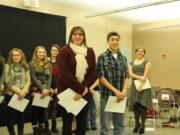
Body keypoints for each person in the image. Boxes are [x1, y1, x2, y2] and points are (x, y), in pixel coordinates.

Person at [57, 26, 96, 135]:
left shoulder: (90, 51)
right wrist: (80, 89)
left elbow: (92, 73)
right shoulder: (64, 51)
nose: (78, 36)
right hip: (67, 91)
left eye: (80, 34)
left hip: (84, 93)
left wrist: (83, 90)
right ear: (71, 36)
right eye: (75, 34)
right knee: (67, 123)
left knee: (82, 123)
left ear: (84, 37)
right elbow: (65, 74)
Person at [97, 31, 129, 135]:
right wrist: (116, 91)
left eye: (117, 39)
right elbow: (101, 77)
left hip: (120, 97)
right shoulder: (102, 57)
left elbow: (126, 76)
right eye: (112, 39)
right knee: (105, 126)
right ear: (108, 41)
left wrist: (124, 90)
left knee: (119, 125)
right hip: (107, 96)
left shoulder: (123, 58)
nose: (115, 42)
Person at [3, 48, 30, 135]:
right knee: (10, 118)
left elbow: (28, 80)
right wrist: (19, 92)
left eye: (17, 55)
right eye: (14, 55)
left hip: (23, 94)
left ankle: (20, 133)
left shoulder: (25, 66)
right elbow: (8, 82)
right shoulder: (7, 66)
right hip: (11, 94)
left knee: (21, 117)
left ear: (21, 56)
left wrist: (24, 91)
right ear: (11, 57)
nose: (16, 57)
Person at [128, 46, 152, 134]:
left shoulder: (147, 62)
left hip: (145, 85)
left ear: (144, 53)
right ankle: (137, 124)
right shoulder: (131, 63)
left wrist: (141, 85)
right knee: (136, 105)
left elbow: (145, 76)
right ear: (136, 52)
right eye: (138, 51)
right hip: (134, 85)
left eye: (142, 51)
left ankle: (143, 125)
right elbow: (130, 74)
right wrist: (139, 77)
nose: (140, 53)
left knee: (143, 105)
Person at [29, 45, 52, 135]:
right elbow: (33, 77)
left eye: (43, 52)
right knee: (35, 110)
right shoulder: (31, 63)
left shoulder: (48, 63)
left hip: (46, 89)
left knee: (43, 110)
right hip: (35, 88)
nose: (41, 54)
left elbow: (49, 77)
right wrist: (42, 89)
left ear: (45, 54)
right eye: (39, 52)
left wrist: (47, 89)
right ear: (36, 53)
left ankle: (41, 128)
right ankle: (35, 129)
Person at [44, 44, 60, 134]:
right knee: (46, 108)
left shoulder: (60, 62)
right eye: (53, 50)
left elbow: (62, 76)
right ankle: (46, 128)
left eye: (56, 50)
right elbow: (44, 76)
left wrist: (58, 88)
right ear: (50, 51)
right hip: (47, 86)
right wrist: (48, 88)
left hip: (57, 87)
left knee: (54, 108)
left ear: (58, 52)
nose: (54, 52)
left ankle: (54, 127)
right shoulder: (46, 61)